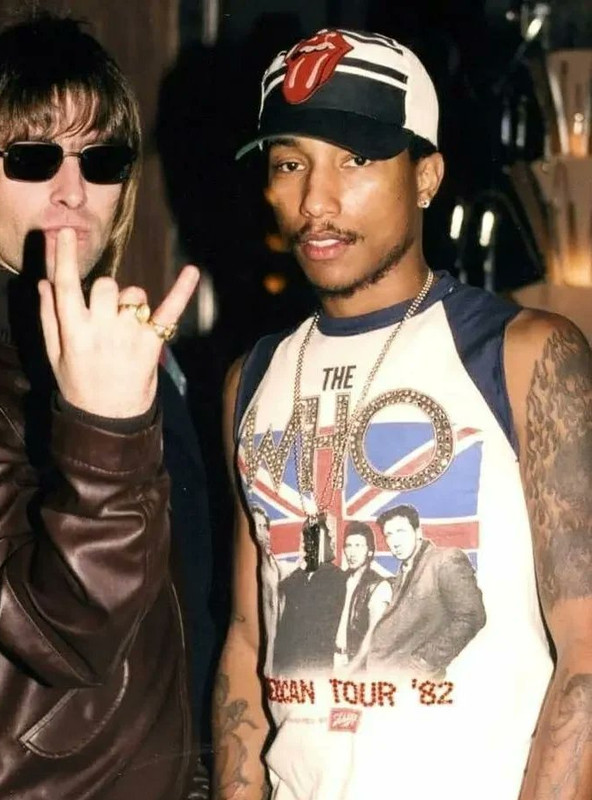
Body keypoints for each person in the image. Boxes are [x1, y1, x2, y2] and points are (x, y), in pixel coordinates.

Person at [213, 25, 592, 800]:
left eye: (356, 158)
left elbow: (588, 652)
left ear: (427, 176)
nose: (315, 200)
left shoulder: (524, 357)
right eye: (291, 163)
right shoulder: (250, 381)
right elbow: (251, 640)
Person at [0, 16, 207, 800]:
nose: (72, 189)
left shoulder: (109, 352)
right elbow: (65, 632)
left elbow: (172, 629)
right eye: (32, 156)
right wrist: (109, 433)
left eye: (103, 158)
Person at [366, 504, 485, 675]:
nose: (394, 541)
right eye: (389, 535)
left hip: (416, 682)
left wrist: (424, 661)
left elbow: (472, 616)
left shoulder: (445, 560)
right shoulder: (403, 569)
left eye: (401, 532)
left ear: (418, 533)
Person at [272, 522, 345, 675]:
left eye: (309, 541)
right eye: (302, 541)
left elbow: (322, 619)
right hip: (288, 663)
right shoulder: (297, 575)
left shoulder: (336, 576)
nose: (304, 546)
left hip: (315, 663)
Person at [333, 520, 390, 668]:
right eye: (348, 546)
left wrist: (351, 669)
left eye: (358, 546)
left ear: (370, 551)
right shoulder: (339, 580)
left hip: (358, 666)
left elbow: (372, 637)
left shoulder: (378, 586)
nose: (352, 552)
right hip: (330, 660)